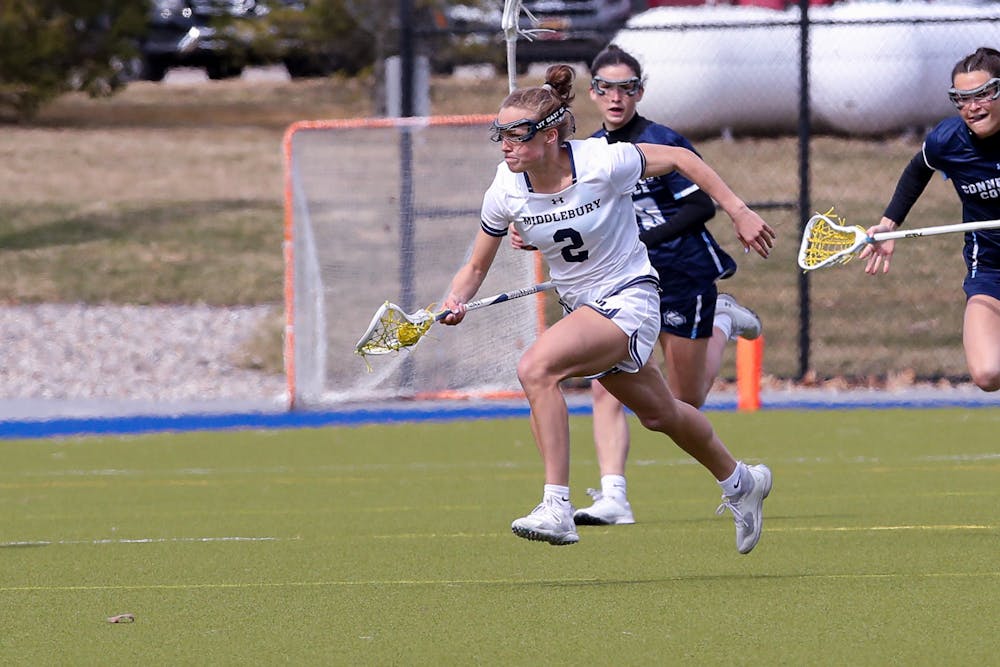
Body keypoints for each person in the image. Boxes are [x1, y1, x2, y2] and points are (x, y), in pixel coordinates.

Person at [440, 63, 774, 553]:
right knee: (663, 414)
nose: (505, 146)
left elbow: (682, 159)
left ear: (550, 136)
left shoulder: (603, 160)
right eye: (500, 135)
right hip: (583, 307)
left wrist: (739, 211)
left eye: (515, 135)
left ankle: (556, 506)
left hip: (629, 298)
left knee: (536, 368)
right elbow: (474, 267)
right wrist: (455, 300)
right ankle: (742, 481)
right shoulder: (505, 191)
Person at [567, 45, 774, 526]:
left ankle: (720, 320)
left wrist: (641, 239)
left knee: (683, 403)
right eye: (606, 87)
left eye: (626, 88)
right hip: (624, 283)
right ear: (592, 92)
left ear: (640, 92)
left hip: (681, 274)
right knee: (606, 383)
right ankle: (614, 497)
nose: (616, 97)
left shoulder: (661, 142)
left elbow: (699, 206)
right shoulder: (591, 152)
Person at [861, 46, 1000, 393]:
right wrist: (889, 226)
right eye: (962, 98)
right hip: (990, 268)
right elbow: (917, 171)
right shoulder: (947, 141)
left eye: (982, 94)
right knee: (987, 374)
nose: (972, 107)